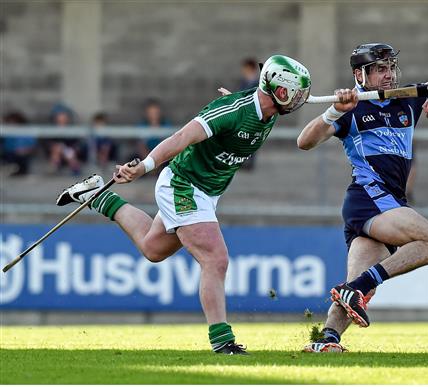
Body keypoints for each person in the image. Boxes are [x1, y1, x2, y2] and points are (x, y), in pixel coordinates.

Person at [56, 55, 312, 355]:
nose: (297, 99)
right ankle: (222, 340)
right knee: (216, 259)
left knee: (153, 249)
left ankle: (98, 195)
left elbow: (249, 107)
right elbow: (181, 137)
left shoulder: (268, 111)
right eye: (291, 91)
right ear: (273, 88)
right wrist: (144, 167)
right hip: (184, 185)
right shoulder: (232, 112)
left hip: (207, 192)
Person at [298, 43, 428, 353]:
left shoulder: (408, 100)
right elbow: (304, 141)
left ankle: (327, 340)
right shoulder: (351, 109)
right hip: (369, 200)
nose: (389, 75)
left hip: (390, 203)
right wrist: (334, 111)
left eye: (391, 68)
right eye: (380, 69)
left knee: (353, 283)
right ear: (360, 74)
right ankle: (359, 288)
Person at [47, 103, 84, 175]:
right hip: (56, 151)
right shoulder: (52, 129)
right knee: (57, 149)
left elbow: (76, 143)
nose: (62, 119)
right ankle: (54, 167)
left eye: (64, 117)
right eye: (60, 117)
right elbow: (48, 143)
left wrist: (67, 148)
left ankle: (75, 168)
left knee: (69, 153)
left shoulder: (72, 129)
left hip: (69, 151)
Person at [1, 111, 36, 176]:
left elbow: (32, 147)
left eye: (13, 122)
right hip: (9, 155)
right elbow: (5, 146)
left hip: (23, 155)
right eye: (9, 122)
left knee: (22, 158)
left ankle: (18, 170)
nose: (11, 124)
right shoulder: (6, 133)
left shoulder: (26, 131)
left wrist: (24, 150)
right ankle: (10, 169)